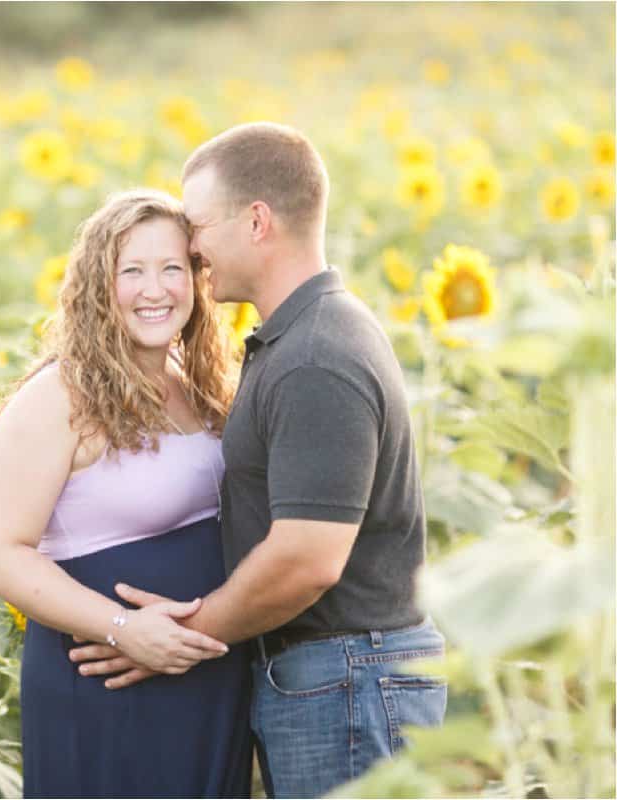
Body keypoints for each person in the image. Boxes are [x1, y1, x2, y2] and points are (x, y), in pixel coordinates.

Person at [69, 122, 448, 798]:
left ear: (257, 221)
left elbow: (308, 558)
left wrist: (181, 639)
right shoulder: (303, 336)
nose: (192, 247)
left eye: (199, 226)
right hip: (337, 680)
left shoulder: (314, 356)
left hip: (348, 681)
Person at [0, 188, 253, 798]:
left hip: (204, 678)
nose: (156, 290)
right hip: (108, 681)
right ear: (100, 284)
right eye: (133, 271)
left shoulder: (195, 381)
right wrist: (125, 629)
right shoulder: (57, 397)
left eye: (172, 268)